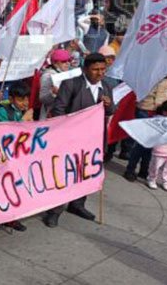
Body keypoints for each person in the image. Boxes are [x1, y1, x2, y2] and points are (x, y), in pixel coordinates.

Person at [43, 53, 115, 225]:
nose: (100, 73)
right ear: (85, 69)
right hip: (72, 139)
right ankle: (55, 210)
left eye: (103, 69)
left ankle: (77, 204)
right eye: (95, 69)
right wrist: (67, 132)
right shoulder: (71, 84)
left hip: (93, 140)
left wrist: (109, 105)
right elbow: (59, 110)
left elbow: (111, 111)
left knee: (86, 172)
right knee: (64, 174)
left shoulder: (106, 86)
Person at [124, 76, 167, 182]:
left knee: (151, 145)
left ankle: (144, 169)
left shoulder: (166, 75)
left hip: (159, 113)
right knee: (140, 144)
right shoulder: (147, 74)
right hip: (145, 110)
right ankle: (130, 169)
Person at [146, 100, 167, 191]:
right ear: (165, 112)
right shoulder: (158, 121)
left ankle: (166, 182)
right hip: (159, 150)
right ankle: (151, 179)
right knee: (155, 167)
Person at [39, 49, 73, 120]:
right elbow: (42, 98)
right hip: (50, 115)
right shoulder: (48, 76)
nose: (67, 63)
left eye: (69, 60)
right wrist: (53, 93)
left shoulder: (67, 73)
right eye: (63, 61)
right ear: (55, 63)